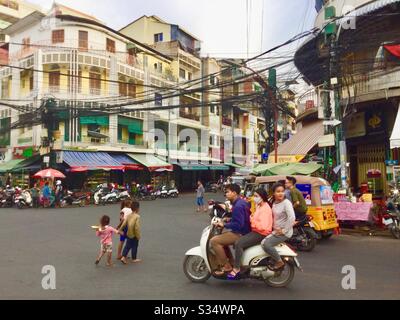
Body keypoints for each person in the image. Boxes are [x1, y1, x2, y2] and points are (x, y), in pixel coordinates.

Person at [228, 188, 273, 280]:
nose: (255, 198)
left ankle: (236, 268)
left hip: (261, 233)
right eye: (254, 196)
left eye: (257, 196)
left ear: (262, 197)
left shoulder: (265, 208)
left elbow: (263, 226)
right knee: (239, 242)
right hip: (256, 231)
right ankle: (243, 265)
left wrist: (252, 221)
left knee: (238, 243)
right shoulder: (259, 205)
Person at [210, 184, 251, 276]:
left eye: (228, 192)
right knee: (222, 239)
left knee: (214, 241)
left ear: (234, 193)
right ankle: (231, 262)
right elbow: (239, 219)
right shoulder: (240, 202)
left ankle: (226, 266)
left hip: (241, 233)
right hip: (244, 230)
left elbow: (238, 224)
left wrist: (224, 224)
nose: (226, 194)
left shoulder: (238, 206)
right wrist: (228, 220)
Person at [262, 183, 296, 271]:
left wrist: (284, 230)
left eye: (282, 191)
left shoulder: (286, 203)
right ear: (273, 193)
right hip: (276, 231)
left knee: (266, 244)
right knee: (262, 242)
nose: (280, 193)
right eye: (278, 192)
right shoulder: (274, 202)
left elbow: (292, 217)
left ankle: (279, 261)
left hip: (284, 233)